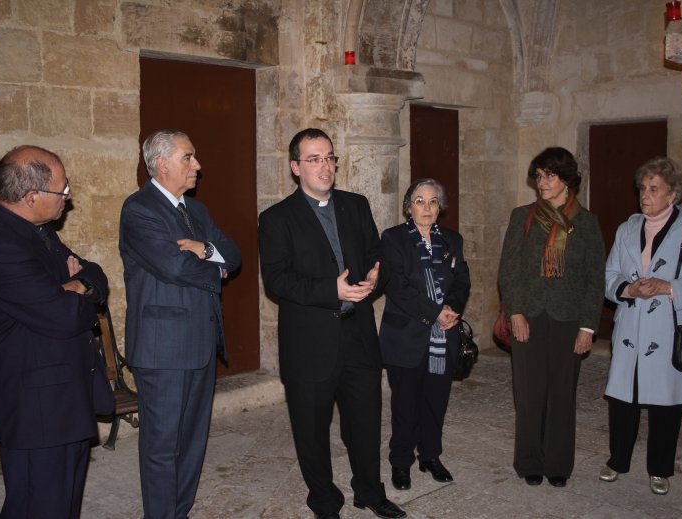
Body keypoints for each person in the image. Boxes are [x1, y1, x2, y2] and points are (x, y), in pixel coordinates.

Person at [258, 128, 406, 519]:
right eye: (314, 159)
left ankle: (370, 492)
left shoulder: (356, 205)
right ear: (296, 167)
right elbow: (277, 280)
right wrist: (331, 289)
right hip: (309, 343)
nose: (325, 167)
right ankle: (324, 500)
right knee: (311, 430)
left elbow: (376, 253)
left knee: (365, 422)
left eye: (329, 157)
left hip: (358, 334)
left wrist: (376, 276)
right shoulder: (276, 218)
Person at [0, 145, 111, 518]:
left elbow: (95, 274)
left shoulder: (36, 230)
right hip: (37, 411)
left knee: (62, 505)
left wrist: (75, 284)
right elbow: (65, 316)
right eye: (62, 189)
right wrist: (71, 289)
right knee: (38, 506)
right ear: (32, 196)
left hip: (62, 398)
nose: (69, 196)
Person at [119, 129, 241, 519]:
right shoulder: (140, 210)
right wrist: (215, 267)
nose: (197, 165)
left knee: (191, 442)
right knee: (162, 445)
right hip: (163, 348)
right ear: (161, 164)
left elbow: (234, 253)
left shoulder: (196, 211)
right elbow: (173, 266)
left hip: (201, 341)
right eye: (188, 157)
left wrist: (206, 249)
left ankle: (179, 512)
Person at [600, 157, 682, 495]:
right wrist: (628, 290)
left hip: (668, 327)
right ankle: (617, 460)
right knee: (623, 396)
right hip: (631, 325)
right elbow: (610, 276)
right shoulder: (627, 229)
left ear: (672, 194)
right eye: (643, 188)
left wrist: (669, 287)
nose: (645, 195)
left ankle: (660, 469)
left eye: (654, 189)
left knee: (665, 400)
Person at [498, 147, 605, 488]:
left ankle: (558, 463)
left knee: (562, 393)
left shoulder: (586, 223)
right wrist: (515, 312)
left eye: (550, 176)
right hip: (528, 315)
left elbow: (595, 278)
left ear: (567, 180)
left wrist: (588, 326)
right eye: (539, 176)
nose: (542, 182)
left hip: (569, 318)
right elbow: (509, 270)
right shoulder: (523, 217)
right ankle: (529, 460)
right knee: (529, 393)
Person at [378, 178, 471, 491]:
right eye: (420, 201)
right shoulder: (392, 238)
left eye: (433, 202)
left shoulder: (452, 240)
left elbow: (462, 280)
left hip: (443, 335)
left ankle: (430, 455)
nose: (427, 208)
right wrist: (435, 312)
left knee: (436, 400)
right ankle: (401, 461)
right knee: (405, 404)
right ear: (409, 207)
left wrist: (452, 308)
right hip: (405, 337)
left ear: (440, 207)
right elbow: (397, 286)